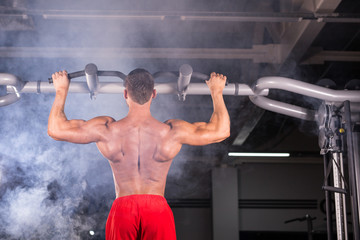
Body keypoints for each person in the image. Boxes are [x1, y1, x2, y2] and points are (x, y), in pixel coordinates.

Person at [48, 69, 230, 240]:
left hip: (123, 209)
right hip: (157, 210)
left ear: (125, 94)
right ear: (154, 94)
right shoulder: (172, 131)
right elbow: (221, 131)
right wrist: (216, 91)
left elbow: (56, 129)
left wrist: (61, 89)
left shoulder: (106, 130)